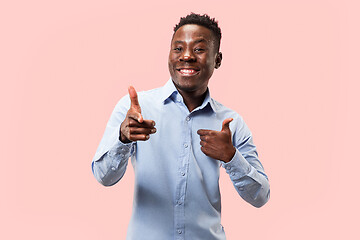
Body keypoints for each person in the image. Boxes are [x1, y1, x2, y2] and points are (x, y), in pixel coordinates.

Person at [92, 13, 270, 240]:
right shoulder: (136, 110)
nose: (186, 56)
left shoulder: (231, 122)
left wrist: (231, 157)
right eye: (178, 49)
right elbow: (103, 177)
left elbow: (260, 196)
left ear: (217, 59)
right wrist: (123, 140)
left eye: (198, 49)